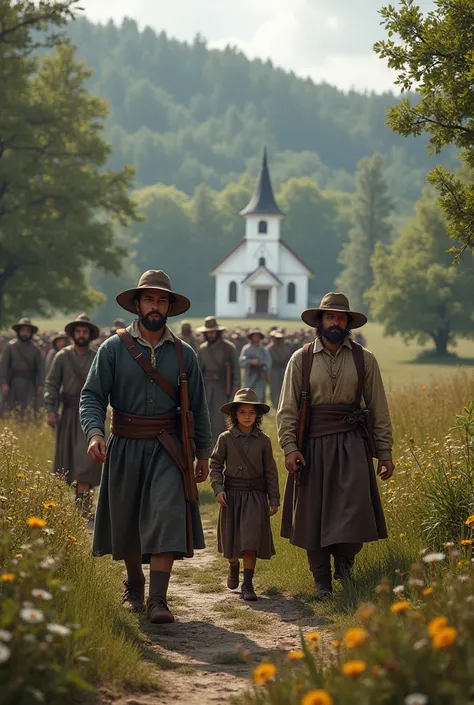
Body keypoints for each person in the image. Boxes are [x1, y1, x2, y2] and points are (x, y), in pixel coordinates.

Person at [80, 270, 212, 624]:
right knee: (128, 520)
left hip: (168, 448)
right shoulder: (112, 349)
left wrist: (202, 453)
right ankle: (135, 583)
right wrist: (94, 432)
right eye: (149, 299)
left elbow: (198, 407)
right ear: (137, 304)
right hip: (124, 444)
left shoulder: (184, 354)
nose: (156, 306)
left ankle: (158, 600)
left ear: (170, 306)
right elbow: (92, 395)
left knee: (166, 515)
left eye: (162, 300)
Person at [277, 292, 394, 598]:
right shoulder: (300, 358)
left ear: (347, 323)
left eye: (341, 317)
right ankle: (321, 581)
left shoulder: (364, 358)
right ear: (320, 321)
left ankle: (345, 567)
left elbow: (379, 408)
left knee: (353, 510)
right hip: (312, 447)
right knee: (312, 514)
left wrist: (385, 452)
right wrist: (290, 447)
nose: (336, 322)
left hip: (352, 445)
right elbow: (287, 409)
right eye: (330, 317)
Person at [210, 388, 279, 601]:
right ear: (234, 415)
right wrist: (218, 489)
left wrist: (274, 498)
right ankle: (233, 565)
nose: (247, 416)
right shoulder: (225, 438)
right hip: (231, 496)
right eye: (242, 412)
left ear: (257, 414)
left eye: (251, 412)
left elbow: (270, 471)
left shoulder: (264, 440)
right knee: (232, 545)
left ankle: (248, 584)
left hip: (255, 496)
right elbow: (215, 464)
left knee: (251, 542)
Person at [44, 315, 102, 518]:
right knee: (70, 461)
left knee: (87, 459)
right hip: (68, 414)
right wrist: (51, 410)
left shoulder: (97, 356)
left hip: (92, 413)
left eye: (85, 332)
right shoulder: (62, 357)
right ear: (72, 334)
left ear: (90, 334)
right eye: (78, 331)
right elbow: (51, 384)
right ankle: (81, 503)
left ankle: (84, 508)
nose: (81, 335)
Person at [197, 316, 240, 445]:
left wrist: (234, 390)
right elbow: (198, 371)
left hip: (223, 387)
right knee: (207, 417)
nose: (211, 334)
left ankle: (224, 444)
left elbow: (236, 372)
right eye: (208, 332)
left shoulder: (228, 348)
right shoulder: (202, 349)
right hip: (207, 387)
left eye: (213, 331)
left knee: (222, 418)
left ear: (218, 332)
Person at [0, 317, 44, 419]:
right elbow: (3, 367)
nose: (25, 333)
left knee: (29, 410)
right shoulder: (10, 347)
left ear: (31, 333)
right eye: (23, 331)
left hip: (29, 384)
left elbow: (40, 369)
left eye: (27, 331)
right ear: (18, 331)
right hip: (13, 383)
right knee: (10, 410)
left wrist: (40, 384)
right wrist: (4, 383)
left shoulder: (35, 349)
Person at [239, 329, 271, 403]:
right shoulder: (246, 349)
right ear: (251, 337)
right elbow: (241, 362)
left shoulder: (264, 350)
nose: (256, 338)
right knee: (247, 395)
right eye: (254, 336)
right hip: (249, 375)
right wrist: (251, 362)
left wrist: (262, 367)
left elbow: (268, 363)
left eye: (258, 336)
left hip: (260, 376)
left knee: (259, 396)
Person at [266, 329, 292, 408]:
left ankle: (282, 402)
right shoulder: (269, 348)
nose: (279, 340)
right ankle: (274, 403)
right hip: (274, 370)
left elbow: (288, 356)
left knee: (283, 387)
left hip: (283, 369)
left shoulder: (285, 347)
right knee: (274, 387)